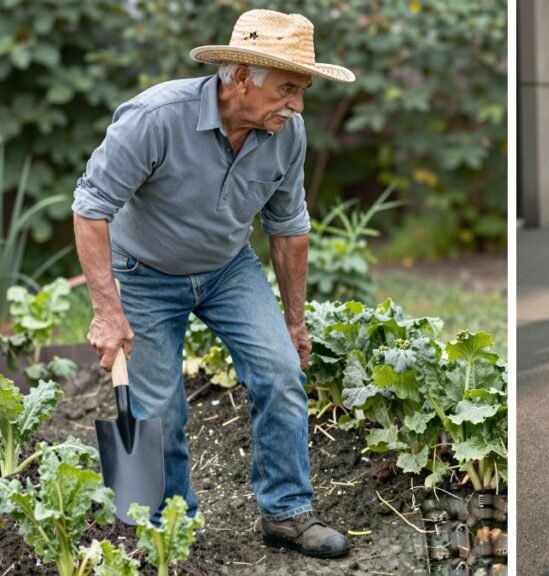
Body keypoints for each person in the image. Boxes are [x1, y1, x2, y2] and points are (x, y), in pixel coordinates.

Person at [72, 9, 356, 559]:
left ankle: (287, 513)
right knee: (160, 410)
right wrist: (109, 311)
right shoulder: (156, 117)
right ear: (243, 77)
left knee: (280, 371)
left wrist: (294, 324)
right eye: (289, 89)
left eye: (303, 91)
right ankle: (166, 527)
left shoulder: (286, 132)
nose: (298, 104)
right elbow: (90, 209)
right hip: (144, 274)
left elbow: (289, 227)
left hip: (228, 270)